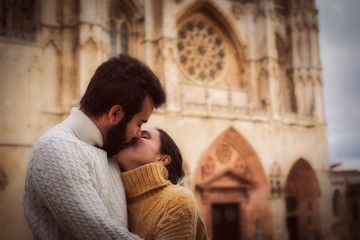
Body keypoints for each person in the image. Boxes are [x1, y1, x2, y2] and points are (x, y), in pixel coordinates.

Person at [23, 54, 166, 240]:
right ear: (115, 113)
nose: (138, 133)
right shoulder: (54, 149)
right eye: (139, 123)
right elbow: (103, 235)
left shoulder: (110, 150)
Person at [116, 128, 208, 240]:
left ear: (162, 159)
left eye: (145, 136)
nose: (135, 135)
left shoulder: (177, 200)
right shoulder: (115, 192)